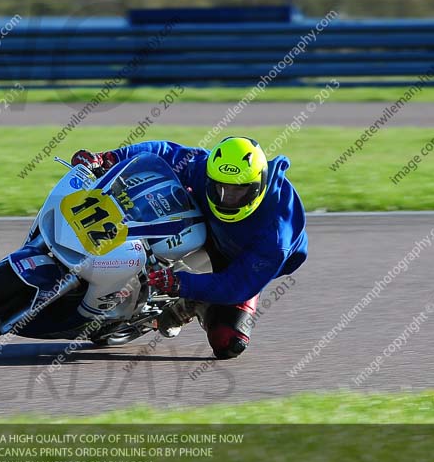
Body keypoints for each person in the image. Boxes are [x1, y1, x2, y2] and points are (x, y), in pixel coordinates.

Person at [70, 136, 307, 359]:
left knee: (228, 342)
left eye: (239, 191)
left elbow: (236, 285)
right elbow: (164, 153)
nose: (227, 198)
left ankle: (192, 303)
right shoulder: (204, 168)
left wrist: (182, 284)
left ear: (259, 186)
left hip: (243, 262)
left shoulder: (275, 236)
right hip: (206, 223)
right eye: (220, 188)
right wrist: (108, 158)